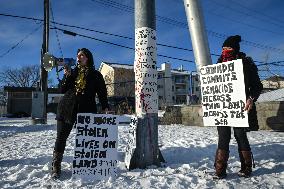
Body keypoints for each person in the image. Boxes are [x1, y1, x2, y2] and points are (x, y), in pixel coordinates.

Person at [51, 48, 109, 179]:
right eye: (77, 56)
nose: (78, 58)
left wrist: (105, 107)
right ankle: (56, 166)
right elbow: (63, 89)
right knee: (61, 137)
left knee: (87, 139)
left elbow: (102, 93)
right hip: (67, 107)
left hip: (87, 108)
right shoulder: (73, 71)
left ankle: (87, 165)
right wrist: (67, 75)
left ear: (88, 57)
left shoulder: (96, 75)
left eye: (81, 55)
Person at [213, 35, 263, 179]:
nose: (224, 51)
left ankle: (246, 168)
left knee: (240, 135)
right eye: (223, 48)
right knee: (223, 137)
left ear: (235, 49)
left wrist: (251, 98)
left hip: (240, 108)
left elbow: (257, 86)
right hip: (223, 108)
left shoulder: (247, 64)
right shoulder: (219, 64)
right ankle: (219, 169)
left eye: (228, 48)